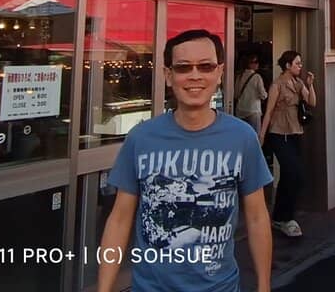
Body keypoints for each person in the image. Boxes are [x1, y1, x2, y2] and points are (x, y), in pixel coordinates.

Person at [97, 30, 272, 292]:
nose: (195, 76)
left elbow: (257, 216)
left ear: (220, 72)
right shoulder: (141, 138)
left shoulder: (242, 137)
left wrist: (264, 286)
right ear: (168, 76)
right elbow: (120, 219)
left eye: (206, 66)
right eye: (183, 68)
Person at [259, 51, 317, 238]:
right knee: (294, 172)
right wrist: (261, 136)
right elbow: (268, 112)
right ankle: (286, 217)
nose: (300, 66)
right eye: (297, 63)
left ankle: (281, 216)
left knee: (292, 175)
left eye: (300, 63)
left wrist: (310, 85)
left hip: (295, 132)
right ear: (287, 65)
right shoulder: (277, 85)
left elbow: (312, 102)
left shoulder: (298, 84)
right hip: (278, 133)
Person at [234, 54, 267, 135]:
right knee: (254, 136)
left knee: (242, 135)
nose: (257, 64)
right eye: (255, 62)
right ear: (249, 64)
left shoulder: (240, 76)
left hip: (240, 110)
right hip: (253, 110)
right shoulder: (257, 77)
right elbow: (263, 95)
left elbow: (236, 94)